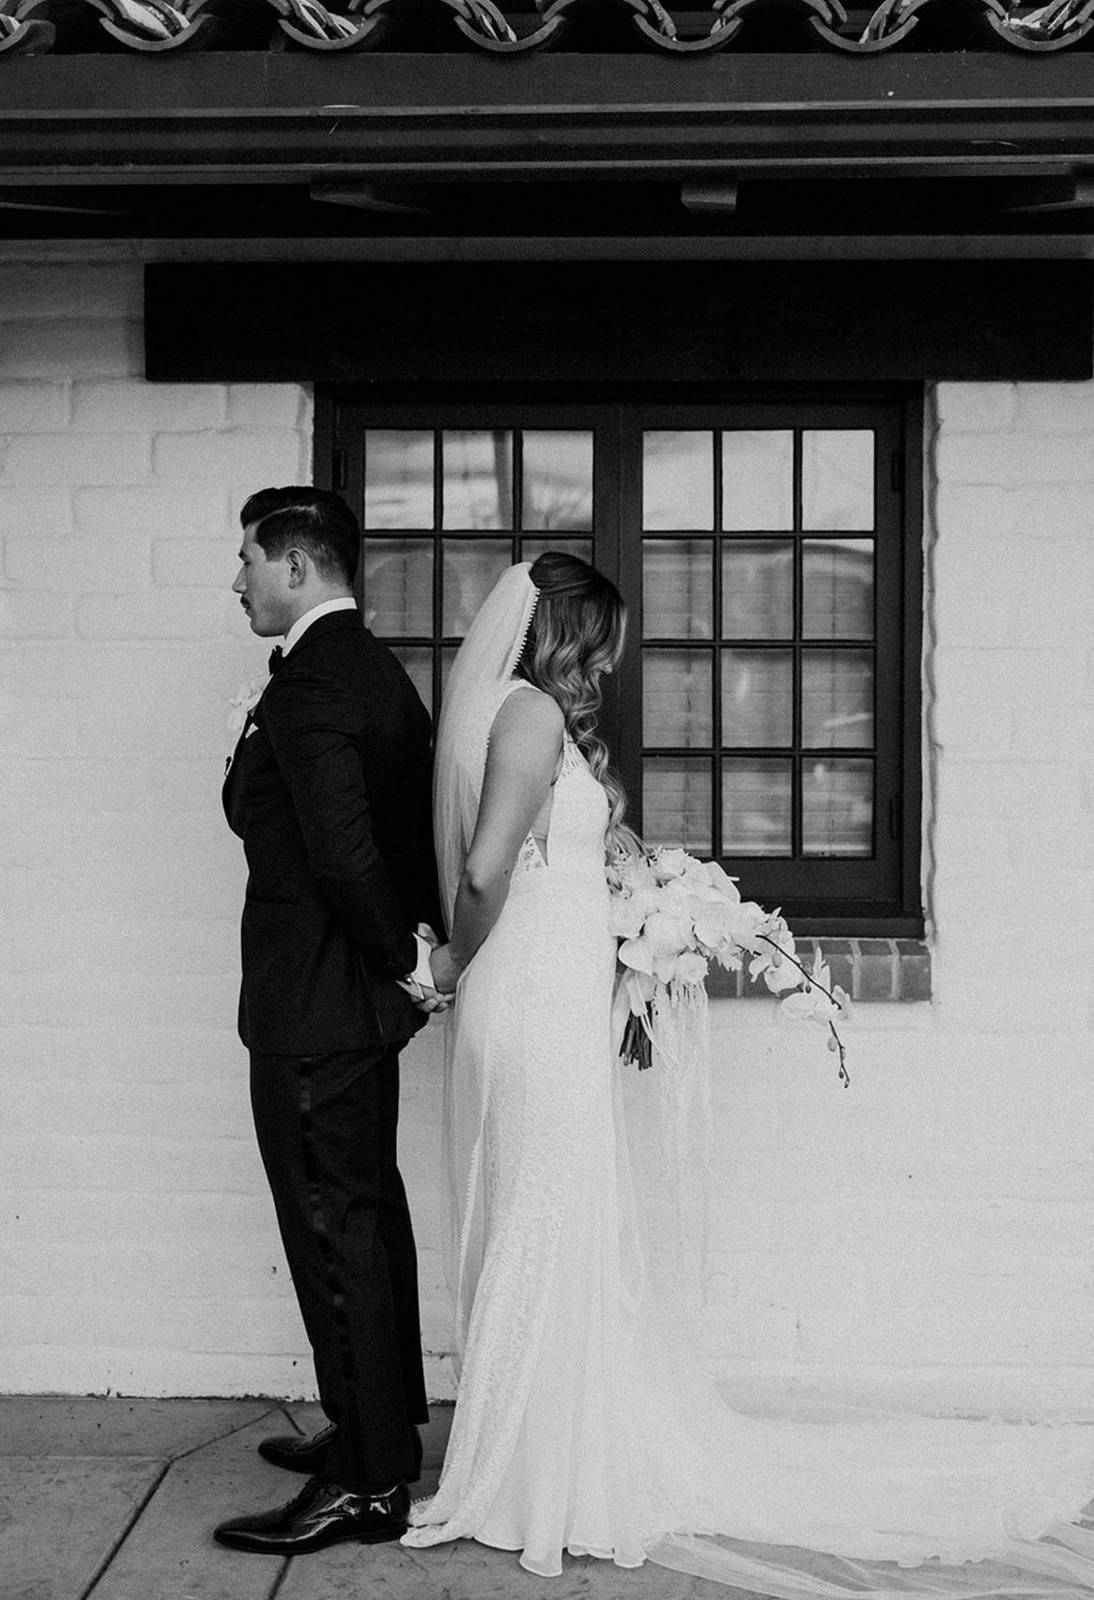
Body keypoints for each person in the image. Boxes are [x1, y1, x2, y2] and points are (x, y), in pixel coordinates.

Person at [408, 552, 1094, 1596]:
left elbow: (565, 847)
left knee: (557, 1216)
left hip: (548, 994)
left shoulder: (518, 714)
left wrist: (651, 884)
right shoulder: (528, 717)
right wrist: (454, 962)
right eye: (593, 651)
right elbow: (482, 868)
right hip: (529, 1000)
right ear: (559, 635)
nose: (602, 673)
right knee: (543, 1217)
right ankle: (533, 1468)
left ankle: (543, 1453)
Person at [215, 486, 447, 1556]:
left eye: (250, 560)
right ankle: (379, 1421)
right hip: (347, 1007)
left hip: (317, 1006)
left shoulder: (312, 686)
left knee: (330, 1224)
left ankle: (366, 1482)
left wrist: (406, 962)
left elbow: (347, 851)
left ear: (295, 566)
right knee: (366, 1212)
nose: (239, 580)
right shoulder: (373, 670)